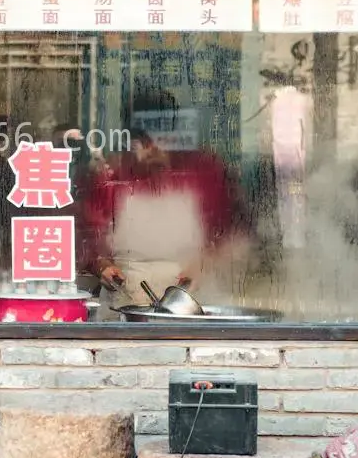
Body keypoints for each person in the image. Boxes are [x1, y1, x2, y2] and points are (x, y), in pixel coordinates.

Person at [78, 91, 243, 309]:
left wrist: (205, 264)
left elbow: (236, 236)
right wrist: (102, 267)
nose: (152, 150)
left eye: (159, 140)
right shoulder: (111, 175)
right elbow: (86, 240)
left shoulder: (206, 171)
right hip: (128, 299)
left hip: (193, 301)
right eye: (143, 142)